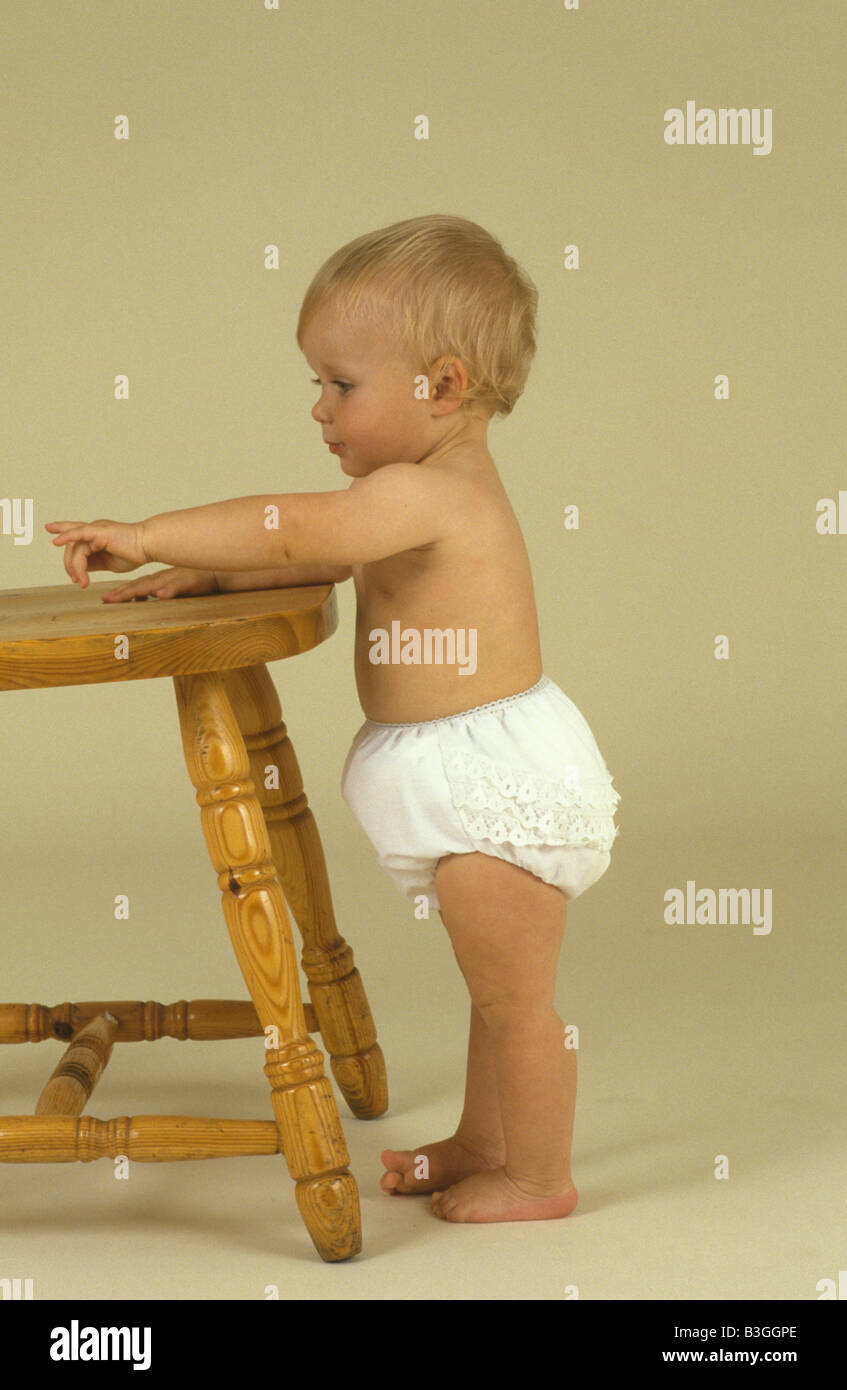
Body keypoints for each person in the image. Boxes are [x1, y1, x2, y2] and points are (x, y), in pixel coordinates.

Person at [46, 214, 620, 1224]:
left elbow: (304, 525)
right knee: (488, 995)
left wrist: (144, 533)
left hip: (495, 788)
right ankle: (484, 1144)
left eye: (340, 385)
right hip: (464, 773)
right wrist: (211, 571)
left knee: (517, 1004)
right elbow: (320, 553)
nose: (319, 409)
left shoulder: (426, 491)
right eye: (317, 383)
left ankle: (540, 1176)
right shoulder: (411, 497)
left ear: (439, 385)